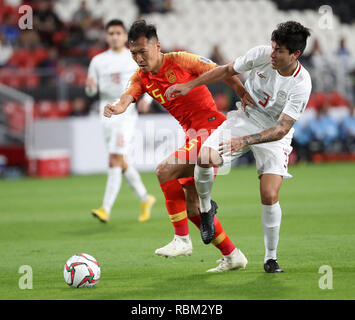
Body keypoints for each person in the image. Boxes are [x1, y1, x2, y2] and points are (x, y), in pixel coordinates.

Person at [104, 20, 255, 272]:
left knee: (164, 170)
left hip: (211, 129)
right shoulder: (141, 76)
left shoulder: (181, 60)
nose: (139, 58)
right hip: (192, 135)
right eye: (133, 54)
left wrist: (242, 93)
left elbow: (223, 71)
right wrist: (117, 107)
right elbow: (127, 96)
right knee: (191, 207)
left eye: (143, 51)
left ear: (157, 46)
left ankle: (182, 240)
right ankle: (233, 255)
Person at [165, 21, 312, 273]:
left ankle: (270, 258)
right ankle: (206, 208)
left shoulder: (302, 84)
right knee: (204, 156)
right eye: (273, 47)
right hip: (245, 119)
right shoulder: (261, 55)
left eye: (279, 51)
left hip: (274, 134)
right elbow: (226, 70)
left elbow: (282, 129)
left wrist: (244, 141)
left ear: (295, 54)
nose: (273, 54)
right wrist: (189, 85)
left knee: (269, 194)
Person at [86, 19, 156, 223]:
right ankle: (145, 198)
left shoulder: (133, 56)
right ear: (106, 36)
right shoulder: (97, 61)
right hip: (105, 109)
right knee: (121, 160)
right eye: (111, 33)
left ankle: (105, 208)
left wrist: (147, 99)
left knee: (114, 159)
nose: (115, 36)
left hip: (126, 108)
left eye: (118, 33)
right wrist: (90, 86)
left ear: (125, 37)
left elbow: (150, 77)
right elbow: (91, 90)